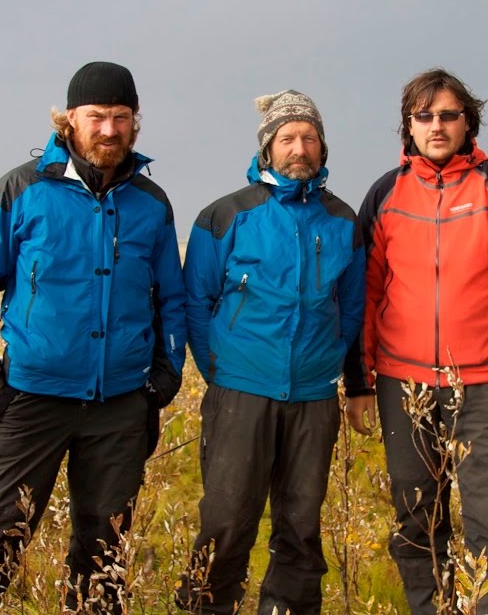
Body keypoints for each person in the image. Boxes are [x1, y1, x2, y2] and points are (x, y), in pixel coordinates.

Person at [0, 61, 186, 612]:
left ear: (135, 123)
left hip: (120, 404)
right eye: (96, 116)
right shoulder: (22, 190)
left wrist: (165, 377)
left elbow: (171, 298)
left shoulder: (151, 203)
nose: (109, 130)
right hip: (30, 399)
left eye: (122, 118)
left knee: (104, 558)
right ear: (69, 119)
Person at [348, 69, 488, 614]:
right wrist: (360, 383)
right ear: (408, 126)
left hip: (487, 386)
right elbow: (362, 298)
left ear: (469, 122)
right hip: (403, 385)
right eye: (424, 116)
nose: (436, 126)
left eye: (448, 115)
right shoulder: (385, 194)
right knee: (417, 523)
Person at [175, 91, 366, 615]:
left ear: (323, 148)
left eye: (309, 137)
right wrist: (219, 368)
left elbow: (351, 308)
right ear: (267, 148)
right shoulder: (226, 215)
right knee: (226, 524)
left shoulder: (343, 221)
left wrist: (328, 363)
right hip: (240, 392)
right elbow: (197, 300)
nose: (299, 147)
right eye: (287, 138)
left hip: (312, 399)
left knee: (301, 529)